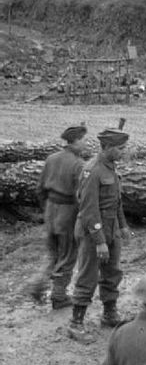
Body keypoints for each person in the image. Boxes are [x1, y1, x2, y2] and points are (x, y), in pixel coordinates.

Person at [69, 127, 131, 339]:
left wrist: (122, 225)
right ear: (107, 147)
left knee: (112, 272)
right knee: (88, 274)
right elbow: (88, 209)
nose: (124, 152)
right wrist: (99, 241)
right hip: (91, 232)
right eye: (120, 148)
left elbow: (115, 202)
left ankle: (109, 313)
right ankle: (76, 323)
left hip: (111, 229)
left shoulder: (111, 168)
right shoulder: (93, 170)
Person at [27, 124, 88, 309]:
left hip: (50, 211)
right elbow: (80, 196)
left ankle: (39, 284)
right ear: (75, 141)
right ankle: (59, 296)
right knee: (68, 254)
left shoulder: (51, 158)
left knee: (54, 254)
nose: (86, 143)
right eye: (84, 139)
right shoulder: (78, 164)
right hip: (67, 213)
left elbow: (39, 189)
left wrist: (46, 209)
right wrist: (81, 218)